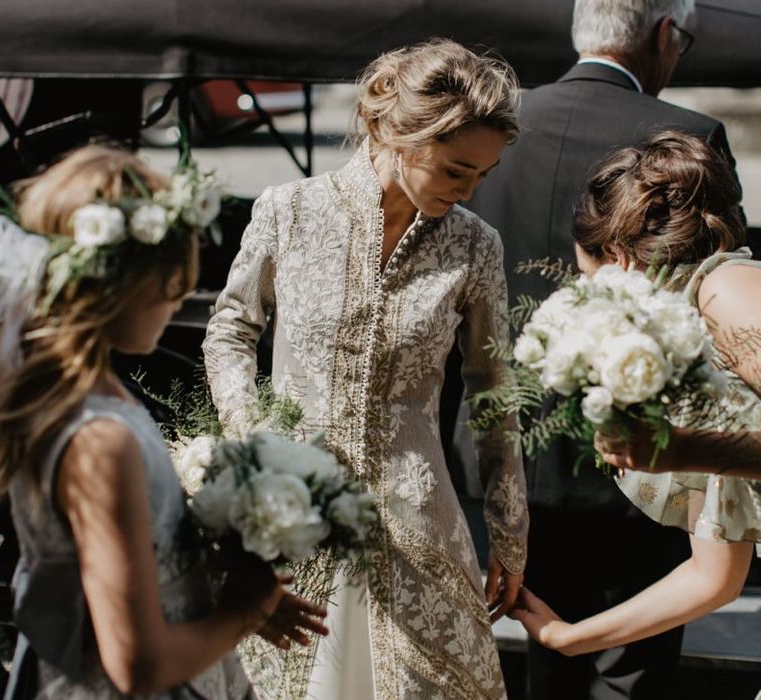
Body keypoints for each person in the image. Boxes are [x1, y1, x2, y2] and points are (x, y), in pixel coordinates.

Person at [203, 38, 529, 700]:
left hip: (416, 522)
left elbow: (494, 393)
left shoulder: (475, 244)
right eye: (455, 170)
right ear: (396, 133)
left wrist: (509, 531)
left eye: (482, 176)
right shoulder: (288, 211)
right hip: (290, 508)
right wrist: (251, 437)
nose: (469, 190)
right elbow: (231, 329)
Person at [466, 1, 745, 698]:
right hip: (638, 480)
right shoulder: (694, 139)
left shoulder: (493, 130)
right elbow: (715, 576)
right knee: (625, 678)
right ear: (662, 36)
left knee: (550, 679)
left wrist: (689, 449)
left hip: (515, 454)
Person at [0, 145, 328, 699]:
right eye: (170, 279)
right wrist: (242, 614)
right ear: (116, 284)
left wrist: (214, 592)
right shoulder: (99, 440)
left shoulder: (84, 398)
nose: (179, 299)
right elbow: (138, 665)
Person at [511, 130, 757, 659]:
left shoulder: (724, 288)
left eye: (584, 276)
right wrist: (572, 638)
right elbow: (714, 576)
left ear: (620, 258)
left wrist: (689, 450)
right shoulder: (690, 357)